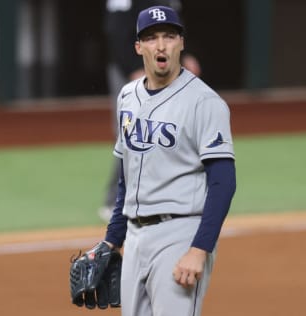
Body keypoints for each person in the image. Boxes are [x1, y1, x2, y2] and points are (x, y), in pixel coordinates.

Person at [89, 5, 236, 315]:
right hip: (135, 238)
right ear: (138, 46)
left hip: (180, 235)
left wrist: (199, 250)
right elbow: (126, 180)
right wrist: (112, 240)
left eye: (169, 36)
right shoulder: (127, 97)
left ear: (181, 43)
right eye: (151, 38)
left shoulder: (205, 102)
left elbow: (223, 183)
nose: (161, 45)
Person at [100, 0, 202, 221]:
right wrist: (132, 68)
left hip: (165, 67)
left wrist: (187, 55)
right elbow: (116, 31)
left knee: (167, 131)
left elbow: (174, 27)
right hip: (129, 69)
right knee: (131, 135)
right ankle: (115, 201)